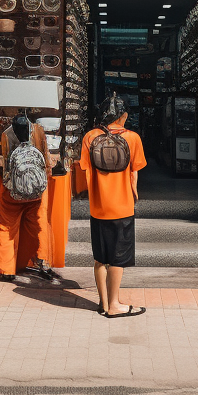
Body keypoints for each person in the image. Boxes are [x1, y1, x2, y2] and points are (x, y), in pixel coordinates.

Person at [80, 93, 147, 318]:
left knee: (100, 258)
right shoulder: (133, 138)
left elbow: (85, 171)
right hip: (122, 206)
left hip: (98, 206)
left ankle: (103, 302)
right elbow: (134, 174)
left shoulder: (90, 136)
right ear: (124, 115)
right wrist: (134, 194)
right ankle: (114, 305)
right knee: (118, 258)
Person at [0, 113, 61, 284]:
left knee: (6, 227)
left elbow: (5, 163)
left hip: (12, 191)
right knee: (40, 226)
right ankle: (44, 262)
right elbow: (46, 160)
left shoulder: (6, 134)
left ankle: (7, 269)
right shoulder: (38, 131)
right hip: (37, 191)